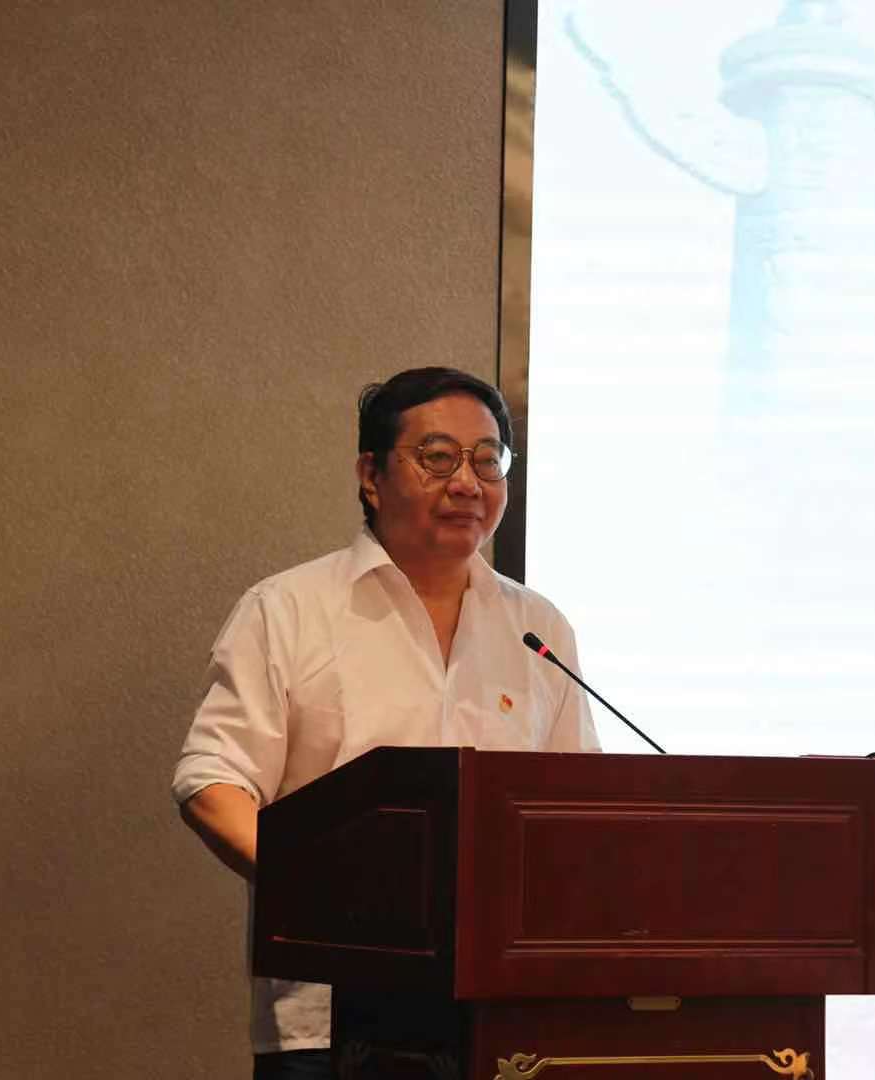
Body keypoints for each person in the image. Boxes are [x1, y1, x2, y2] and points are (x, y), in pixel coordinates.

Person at [173, 367, 601, 1079]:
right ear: (371, 476)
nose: (467, 483)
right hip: (330, 1019)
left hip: (504, 1020)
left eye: (488, 460)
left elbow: (575, 810)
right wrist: (330, 896)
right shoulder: (289, 610)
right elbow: (211, 782)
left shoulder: (538, 628)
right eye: (438, 457)